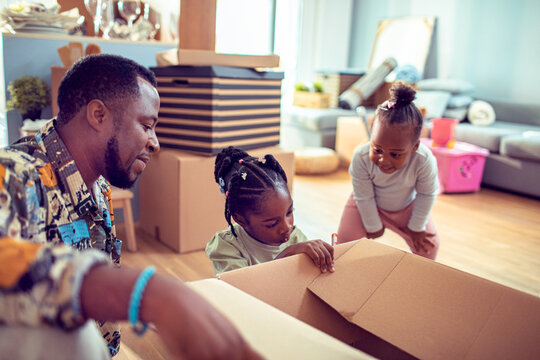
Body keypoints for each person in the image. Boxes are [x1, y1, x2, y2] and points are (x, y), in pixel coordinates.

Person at [0, 54, 261, 360]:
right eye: (147, 125)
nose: (155, 143)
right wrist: (150, 293)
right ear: (98, 115)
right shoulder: (13, 174)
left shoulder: (98, 185)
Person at [337, 81, 440, 260]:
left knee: (429, 247)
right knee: (344, 246)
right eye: (377, 150)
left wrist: (416, 227)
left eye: (395, 154)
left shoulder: (424, 160)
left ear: (414, 147)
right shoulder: (360, 157)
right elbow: (364, 196)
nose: (384, 160)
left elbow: (427, 194)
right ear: (371, 134)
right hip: (366, 202)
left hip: (406, 206)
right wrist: (372, 225)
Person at [206, 146, 335, 275]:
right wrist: (287, 253)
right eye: (272, 223)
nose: (287, 227)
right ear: (240, 219)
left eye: (290, 212)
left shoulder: (295, 237)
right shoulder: (227, 247)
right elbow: (244, 290)